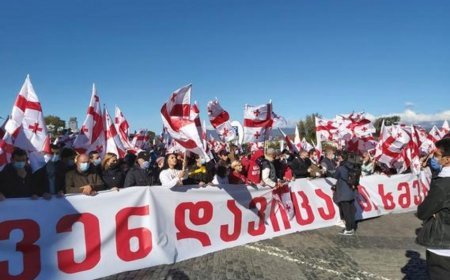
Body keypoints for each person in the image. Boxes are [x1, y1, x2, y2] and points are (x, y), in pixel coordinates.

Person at [417, 138, 450, 279]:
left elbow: (423, 212)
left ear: (447, 159)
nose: (434, 158)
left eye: (437, 155)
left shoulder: (443, 184)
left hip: (442, 245)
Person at [333, 152, 358, 235]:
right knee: (351, 211)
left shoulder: (341, 168)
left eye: (339, 157)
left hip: (343, 192)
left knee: (346, 212)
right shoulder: (353, 166)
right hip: (351, 191)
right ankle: (352, 227)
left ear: (342, 158)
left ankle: (348, 229)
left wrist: (337, 166)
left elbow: (335, 176)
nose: (338, 158)